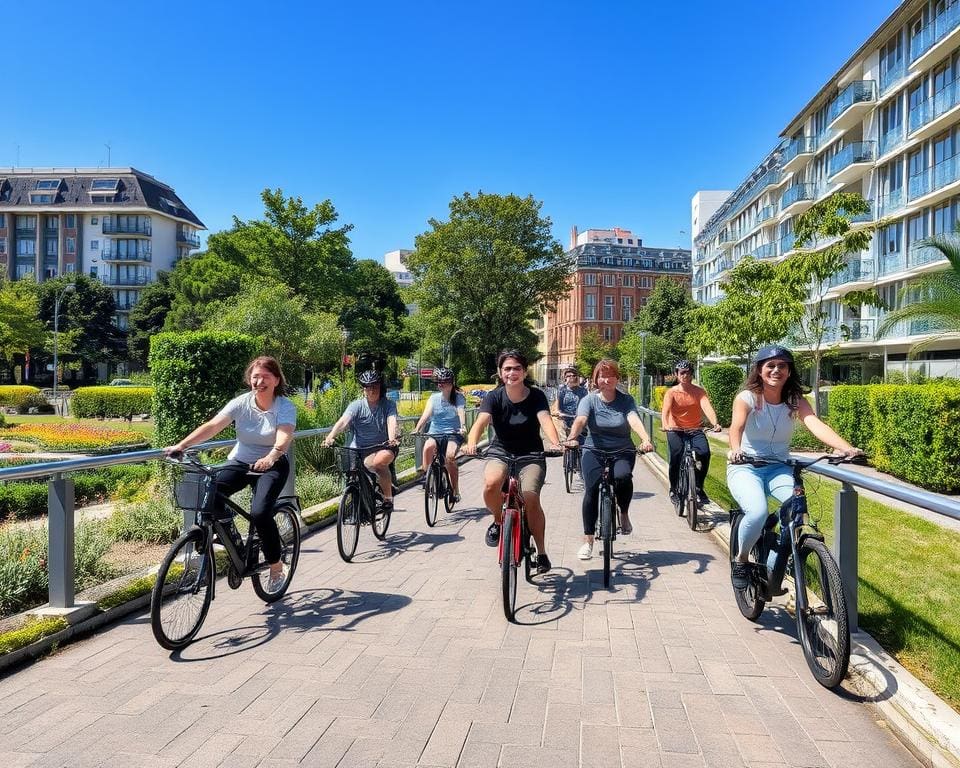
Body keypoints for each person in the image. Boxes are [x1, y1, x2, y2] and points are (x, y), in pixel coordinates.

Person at [727, 345, 862, 589]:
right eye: (770, 365)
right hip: (747, 467)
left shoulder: (794, 400)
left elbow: (814, 423)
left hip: (779, 467)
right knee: (757, 512)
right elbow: (735, 427)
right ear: (759, 370)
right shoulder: (747, 398)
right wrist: (735, 449)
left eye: (782, 366)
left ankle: (774, 556)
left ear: (789, 371)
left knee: (797, 511)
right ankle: (742, 559)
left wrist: (846, 447)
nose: (776, 370)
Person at [164, 356, 295, 590]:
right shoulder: (241, 403)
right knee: (209, 494)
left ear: (276, 380)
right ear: (249, 379)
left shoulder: (284, 406)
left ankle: (276, 566)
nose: (259, 381)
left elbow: (284, 436)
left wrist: (270, 457)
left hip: (272, 464)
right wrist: (182, 446)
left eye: (265, 376)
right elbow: (213, 426)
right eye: (255, 376)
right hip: (241, 461)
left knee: (260, 513)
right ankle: (233, 540)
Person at [463, 350, 562, 574]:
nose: (512, 373)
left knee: (530, 496)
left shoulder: (536, 396)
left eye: (517, 368)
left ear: (524, 371)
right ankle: (498, 521)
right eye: (507, 368)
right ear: (500, 372)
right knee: (491, 483)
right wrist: (471, 442)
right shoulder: (494, 397)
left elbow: (545, 420)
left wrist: (556, 443)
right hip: (501, 451)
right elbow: (481, 422)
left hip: (531, 455)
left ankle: (542, 552)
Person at [562, 359, 654, 560]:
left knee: (622, 477)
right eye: (601, 376)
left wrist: (645, 438)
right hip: (593, 449)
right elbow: (581, 419)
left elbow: (633, 419)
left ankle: (624, 514)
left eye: (610, 375)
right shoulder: (589, 400)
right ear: (596, 379)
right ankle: (588, 541)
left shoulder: (626, 400)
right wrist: (572, 438)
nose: (606, 380)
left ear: (616, 378)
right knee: (591, 489)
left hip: (622, 450)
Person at [324, 369, 399, 510]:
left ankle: (388, 497)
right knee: (353, 476)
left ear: (380, 387)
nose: (371, 391)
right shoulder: (356, 405)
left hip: (384, 446)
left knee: (378, 463)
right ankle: (357, 508)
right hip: (359, 448)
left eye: (375, 387)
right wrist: (330, 437)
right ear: (363, 389)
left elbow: (391, 421)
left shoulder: (388, 405)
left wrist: (392, 439)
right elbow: (343, 422)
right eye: (367, 387)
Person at [661, 360, 722, 507]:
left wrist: (715, 423)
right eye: (682, 373)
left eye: (688, 372)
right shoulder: (672, 392)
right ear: (676, 374)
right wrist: (665, 425)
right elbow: (666, 411)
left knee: (705, 453)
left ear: (691, 374)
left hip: (695, 429)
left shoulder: (699, 391)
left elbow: (707, 407)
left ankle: (698, 486)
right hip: (675, 429)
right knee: (676, 455)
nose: (685, 375)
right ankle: (674, 490)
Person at [413, 367, 467, 502]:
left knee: (449, 457)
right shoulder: (434, 398)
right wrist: (418, 428)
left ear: (451, 383)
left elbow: (461, 412)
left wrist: (463, 426)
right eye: (439, 382)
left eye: (444, 382)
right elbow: (426, 415)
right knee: (427, 448)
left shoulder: (458, 397)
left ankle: (455, 490)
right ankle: (429, 479)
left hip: (453, 433)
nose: (441, 385)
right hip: (435, 432)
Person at [551, 366, 587, 442]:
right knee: (567, 446)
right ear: (565, 378)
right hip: (564, 421)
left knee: (580, 445)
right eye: (569, 376)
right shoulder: (562, 390)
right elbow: (557, 407)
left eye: (574, 375)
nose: (572, 377)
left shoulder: (582, 390)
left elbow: (585, 406)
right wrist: (559, 413)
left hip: (578, 421)